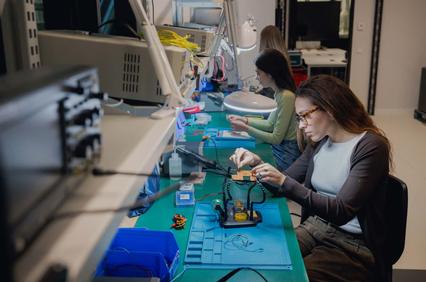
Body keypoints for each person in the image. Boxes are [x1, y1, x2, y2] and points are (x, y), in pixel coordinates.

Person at [229, 75, 392, 282]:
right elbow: (282, 186)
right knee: (260, 262)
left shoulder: (371, 146)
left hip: (351, 245)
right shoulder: (320, 143)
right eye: (299, 118)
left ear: (330, 109)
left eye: (305, 116)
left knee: (291, 278)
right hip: (316, 227)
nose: (301, 125)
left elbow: (341, 211)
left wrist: (284, 182)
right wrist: (257, 163)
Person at [228, 48, 300, 171]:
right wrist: (245, 120)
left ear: (269, 74)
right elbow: (269, 124)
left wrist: (245, 128)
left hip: (287, 152)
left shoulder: (286, 96)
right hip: (282, 149)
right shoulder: (279, 93)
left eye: (259, 73)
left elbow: (276, 138)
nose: (257, 77)